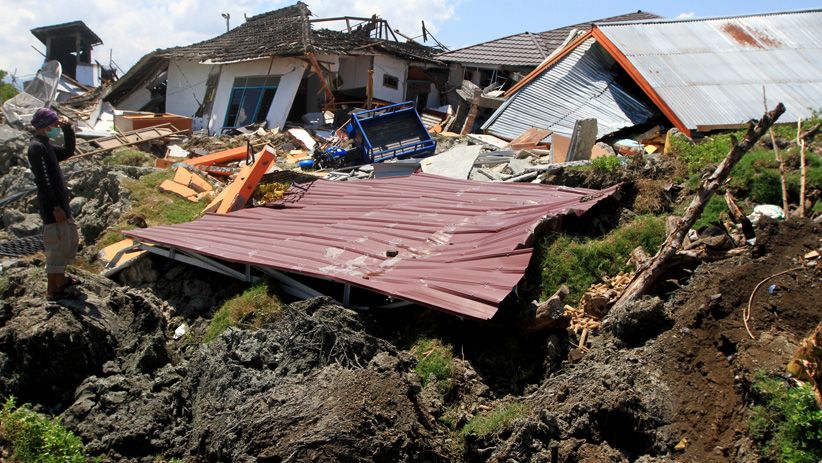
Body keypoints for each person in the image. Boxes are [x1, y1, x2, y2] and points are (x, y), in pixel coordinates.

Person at [27, 107, 80, 301]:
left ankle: (61, 281)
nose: (57, 127)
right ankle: (52, 291)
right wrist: (55, 208)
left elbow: (67, 151)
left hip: (60, 204)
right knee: (55, 247)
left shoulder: (45, 144)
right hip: (53, 207)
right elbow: (44, 181)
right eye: (55, 125)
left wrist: (68, 130)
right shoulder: (36, 148)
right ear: (45, 125)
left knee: (68, 241)